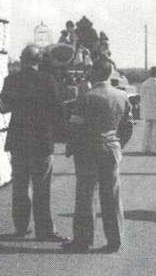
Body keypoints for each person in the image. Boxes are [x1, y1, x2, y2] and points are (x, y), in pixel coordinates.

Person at [0, 45, 69, 242]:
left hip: (18, 139)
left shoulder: (11, 80)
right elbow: (58, 110)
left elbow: (3, 108)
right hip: (41, 139)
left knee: (20, 186)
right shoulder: (48, 80)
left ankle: (21, 227)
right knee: (42, 187)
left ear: (22, 59)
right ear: (39, 60)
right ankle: (44, 230)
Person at [62, 58, 130, 253]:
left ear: (94, 73)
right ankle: (115, 240)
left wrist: (71, 147)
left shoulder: (87, 97)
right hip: (112, 148)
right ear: (110, 74)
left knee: (86, 195)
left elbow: (75, 126)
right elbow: (128, 125)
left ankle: (82, 241)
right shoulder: (121, 96)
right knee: (112, 195)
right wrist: (118, 143)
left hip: (88, 149)